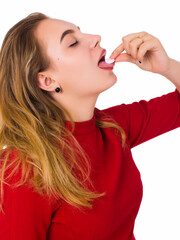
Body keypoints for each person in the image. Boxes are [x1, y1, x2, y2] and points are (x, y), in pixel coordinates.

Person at [0, 12, 179, 240]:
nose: (95, 37)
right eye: (73, 42)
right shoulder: (23, 170)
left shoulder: (115, 127)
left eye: (81, 31)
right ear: (47, 81)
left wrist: (167, 66)